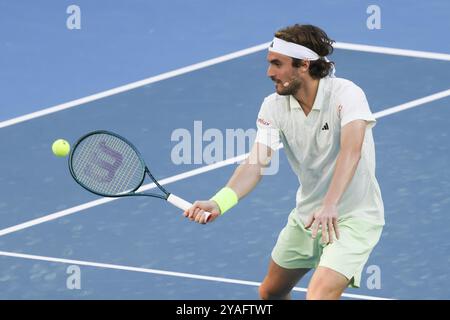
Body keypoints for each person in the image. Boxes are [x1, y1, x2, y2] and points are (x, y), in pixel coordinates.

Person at [183, 24, 385, 300]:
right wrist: (219, 202)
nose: (269, 73)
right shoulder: (273, 106)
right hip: (307, 216)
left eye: (277, 64)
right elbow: (256, 164)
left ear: (303, 64)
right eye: (269, 64)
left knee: (319, 293)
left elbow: (352, 151)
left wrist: (330, 204)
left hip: (351, 217)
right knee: (271, 292)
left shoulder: (347, 95)